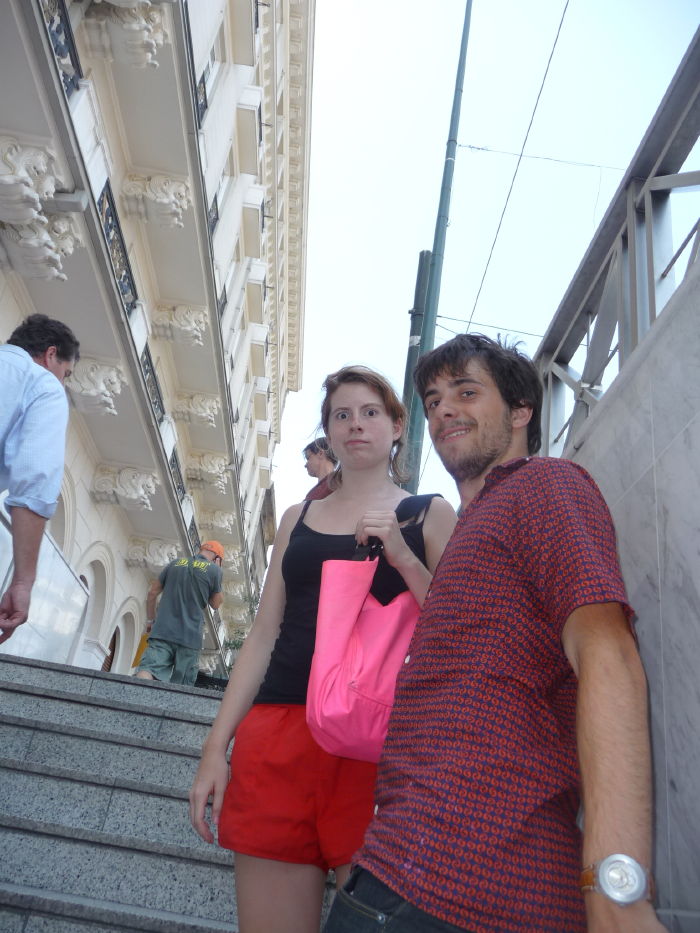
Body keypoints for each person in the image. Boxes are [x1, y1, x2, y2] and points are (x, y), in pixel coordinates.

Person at [325, 334, 666, 933]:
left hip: (469, 886)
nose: (443, 410)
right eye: (433, 400)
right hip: (402, 868)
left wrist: (617, 886)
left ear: (520, 411)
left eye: (466, 392)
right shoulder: (475, 529)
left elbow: (609, 655)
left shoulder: (546, 485)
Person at [189, 365, 457, 933]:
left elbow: (463, 630)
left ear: (397, 427)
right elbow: (264, 634)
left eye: (370, 412)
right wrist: (216, 747)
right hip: (277, 733)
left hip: (379, 744)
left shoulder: (430, 513)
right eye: (342, 415)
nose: (355, 424)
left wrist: (404, 558)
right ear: (328, 431)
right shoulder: (298, 517)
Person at [0, 314, 79, 644]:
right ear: (50, 354)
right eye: (66, 373)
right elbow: (35, 480)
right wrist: (23, 582)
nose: (63, 381)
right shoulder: (43, 385)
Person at [135, 541, 224, 685]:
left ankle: (135, 694)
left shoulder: (175, 563)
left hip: (163, 631)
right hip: (190, 637)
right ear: (217, 558)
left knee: (148, 669)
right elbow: (216, 604)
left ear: (200, 550)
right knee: (182, 684)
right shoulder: (215, 570)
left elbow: (152, 593)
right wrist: (218, 571)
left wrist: (151, 621)